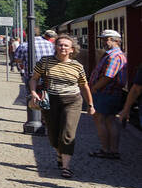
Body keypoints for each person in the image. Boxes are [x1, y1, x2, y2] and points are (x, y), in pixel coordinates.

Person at [30, 34, 94, 177]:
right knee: (53, 135)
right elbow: (34, 79)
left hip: (72, 101)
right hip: (51, 101)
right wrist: (34, 93)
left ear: (72, 49)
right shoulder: (45, 61)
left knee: (68, 134)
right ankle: (59, 153)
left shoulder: (77, 66)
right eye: (60, 45)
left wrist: (90, 104)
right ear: (55, 46)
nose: (62, 47)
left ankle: (66, 166)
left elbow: (84, 86)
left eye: (66, 45)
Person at [88, 29, 127, 159]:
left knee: (102, 119)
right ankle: (112, 150)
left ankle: (107, 150)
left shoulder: (114, 56)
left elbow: (108, 76)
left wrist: (94, 88)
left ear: (114, 40)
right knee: (109, 120)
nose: (104, 42)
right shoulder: (112, 54)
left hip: (106, 93)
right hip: (109, 93)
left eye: (106, 39)